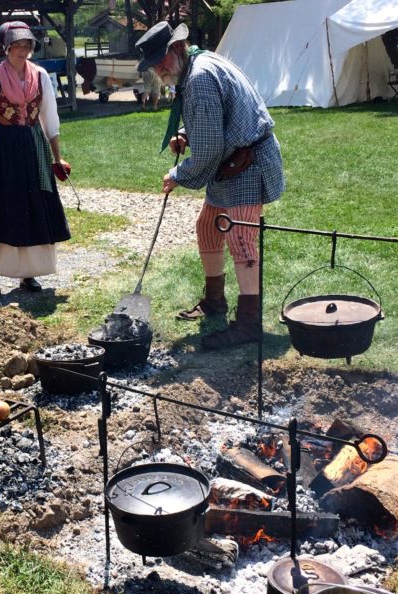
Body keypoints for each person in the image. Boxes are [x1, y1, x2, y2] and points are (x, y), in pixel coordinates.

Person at [135, 21, 285, 349]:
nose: (159, 70)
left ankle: (249, 324)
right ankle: (214, 301)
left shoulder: (200, 77)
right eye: (154, 65)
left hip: (247, 162)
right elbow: (213, 119)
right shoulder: (196, 67)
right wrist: (187, 135)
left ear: (177, 49)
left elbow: (210, 150)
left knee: (240, 236)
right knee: (207, 226)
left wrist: (178, 175)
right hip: (232, 161)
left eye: (161, 62)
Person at [0, 21, 71, 298]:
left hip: (33, 145)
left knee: (32, 205)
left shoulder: (41, 76)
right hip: (2, 146)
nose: (22, 51)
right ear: (7, 47)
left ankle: (27, 274)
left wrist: (57, 157)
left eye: (26, 45)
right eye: (17, 46)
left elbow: (50, 119)